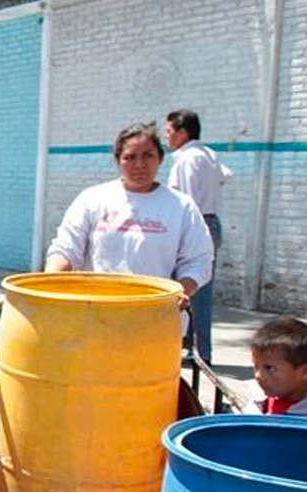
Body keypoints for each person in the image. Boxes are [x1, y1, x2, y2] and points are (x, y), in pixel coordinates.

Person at [45, 122, 214, 310]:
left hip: (154, 312)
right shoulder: (92, 199)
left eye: (148, 155)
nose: (139, 164)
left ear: (160, 158)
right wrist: (48, 285)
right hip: (93, 312)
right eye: (130, 157)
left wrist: (182, 290)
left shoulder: (181, 206)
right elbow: (66, 248)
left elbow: (199, 260)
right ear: (118, 161)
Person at [167, 109, 230, 363]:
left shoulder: (187, 159)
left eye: (169, 132)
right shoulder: (209, 154)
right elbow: (224, 177)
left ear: (183, 133)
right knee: (196, 292)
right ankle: (194, 349)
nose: (167, 137)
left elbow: (188, 201)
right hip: (211, 222)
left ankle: (201, 355)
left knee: (192, 291)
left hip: (196, 225)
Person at [244, 317, 307, 416]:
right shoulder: (258, 404)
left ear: (304, 371)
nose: (258, 375)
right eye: (256, 366)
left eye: (269, 368)